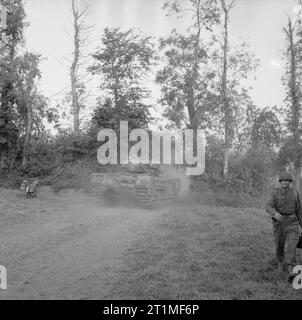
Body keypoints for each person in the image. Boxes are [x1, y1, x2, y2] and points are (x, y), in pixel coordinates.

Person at [266, 171, 302, 282]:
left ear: (290, 182)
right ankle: (280, 263)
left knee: (291, 246)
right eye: (283, 180)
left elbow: (299, 210)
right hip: (279, 222)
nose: (285, 182)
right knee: (279, 246)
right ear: (280, 182)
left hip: (292, 222)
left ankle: (292, 270)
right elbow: (268, 206)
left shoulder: (295, 193)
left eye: (287, 180)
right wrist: (274, 213)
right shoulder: (275, 193)